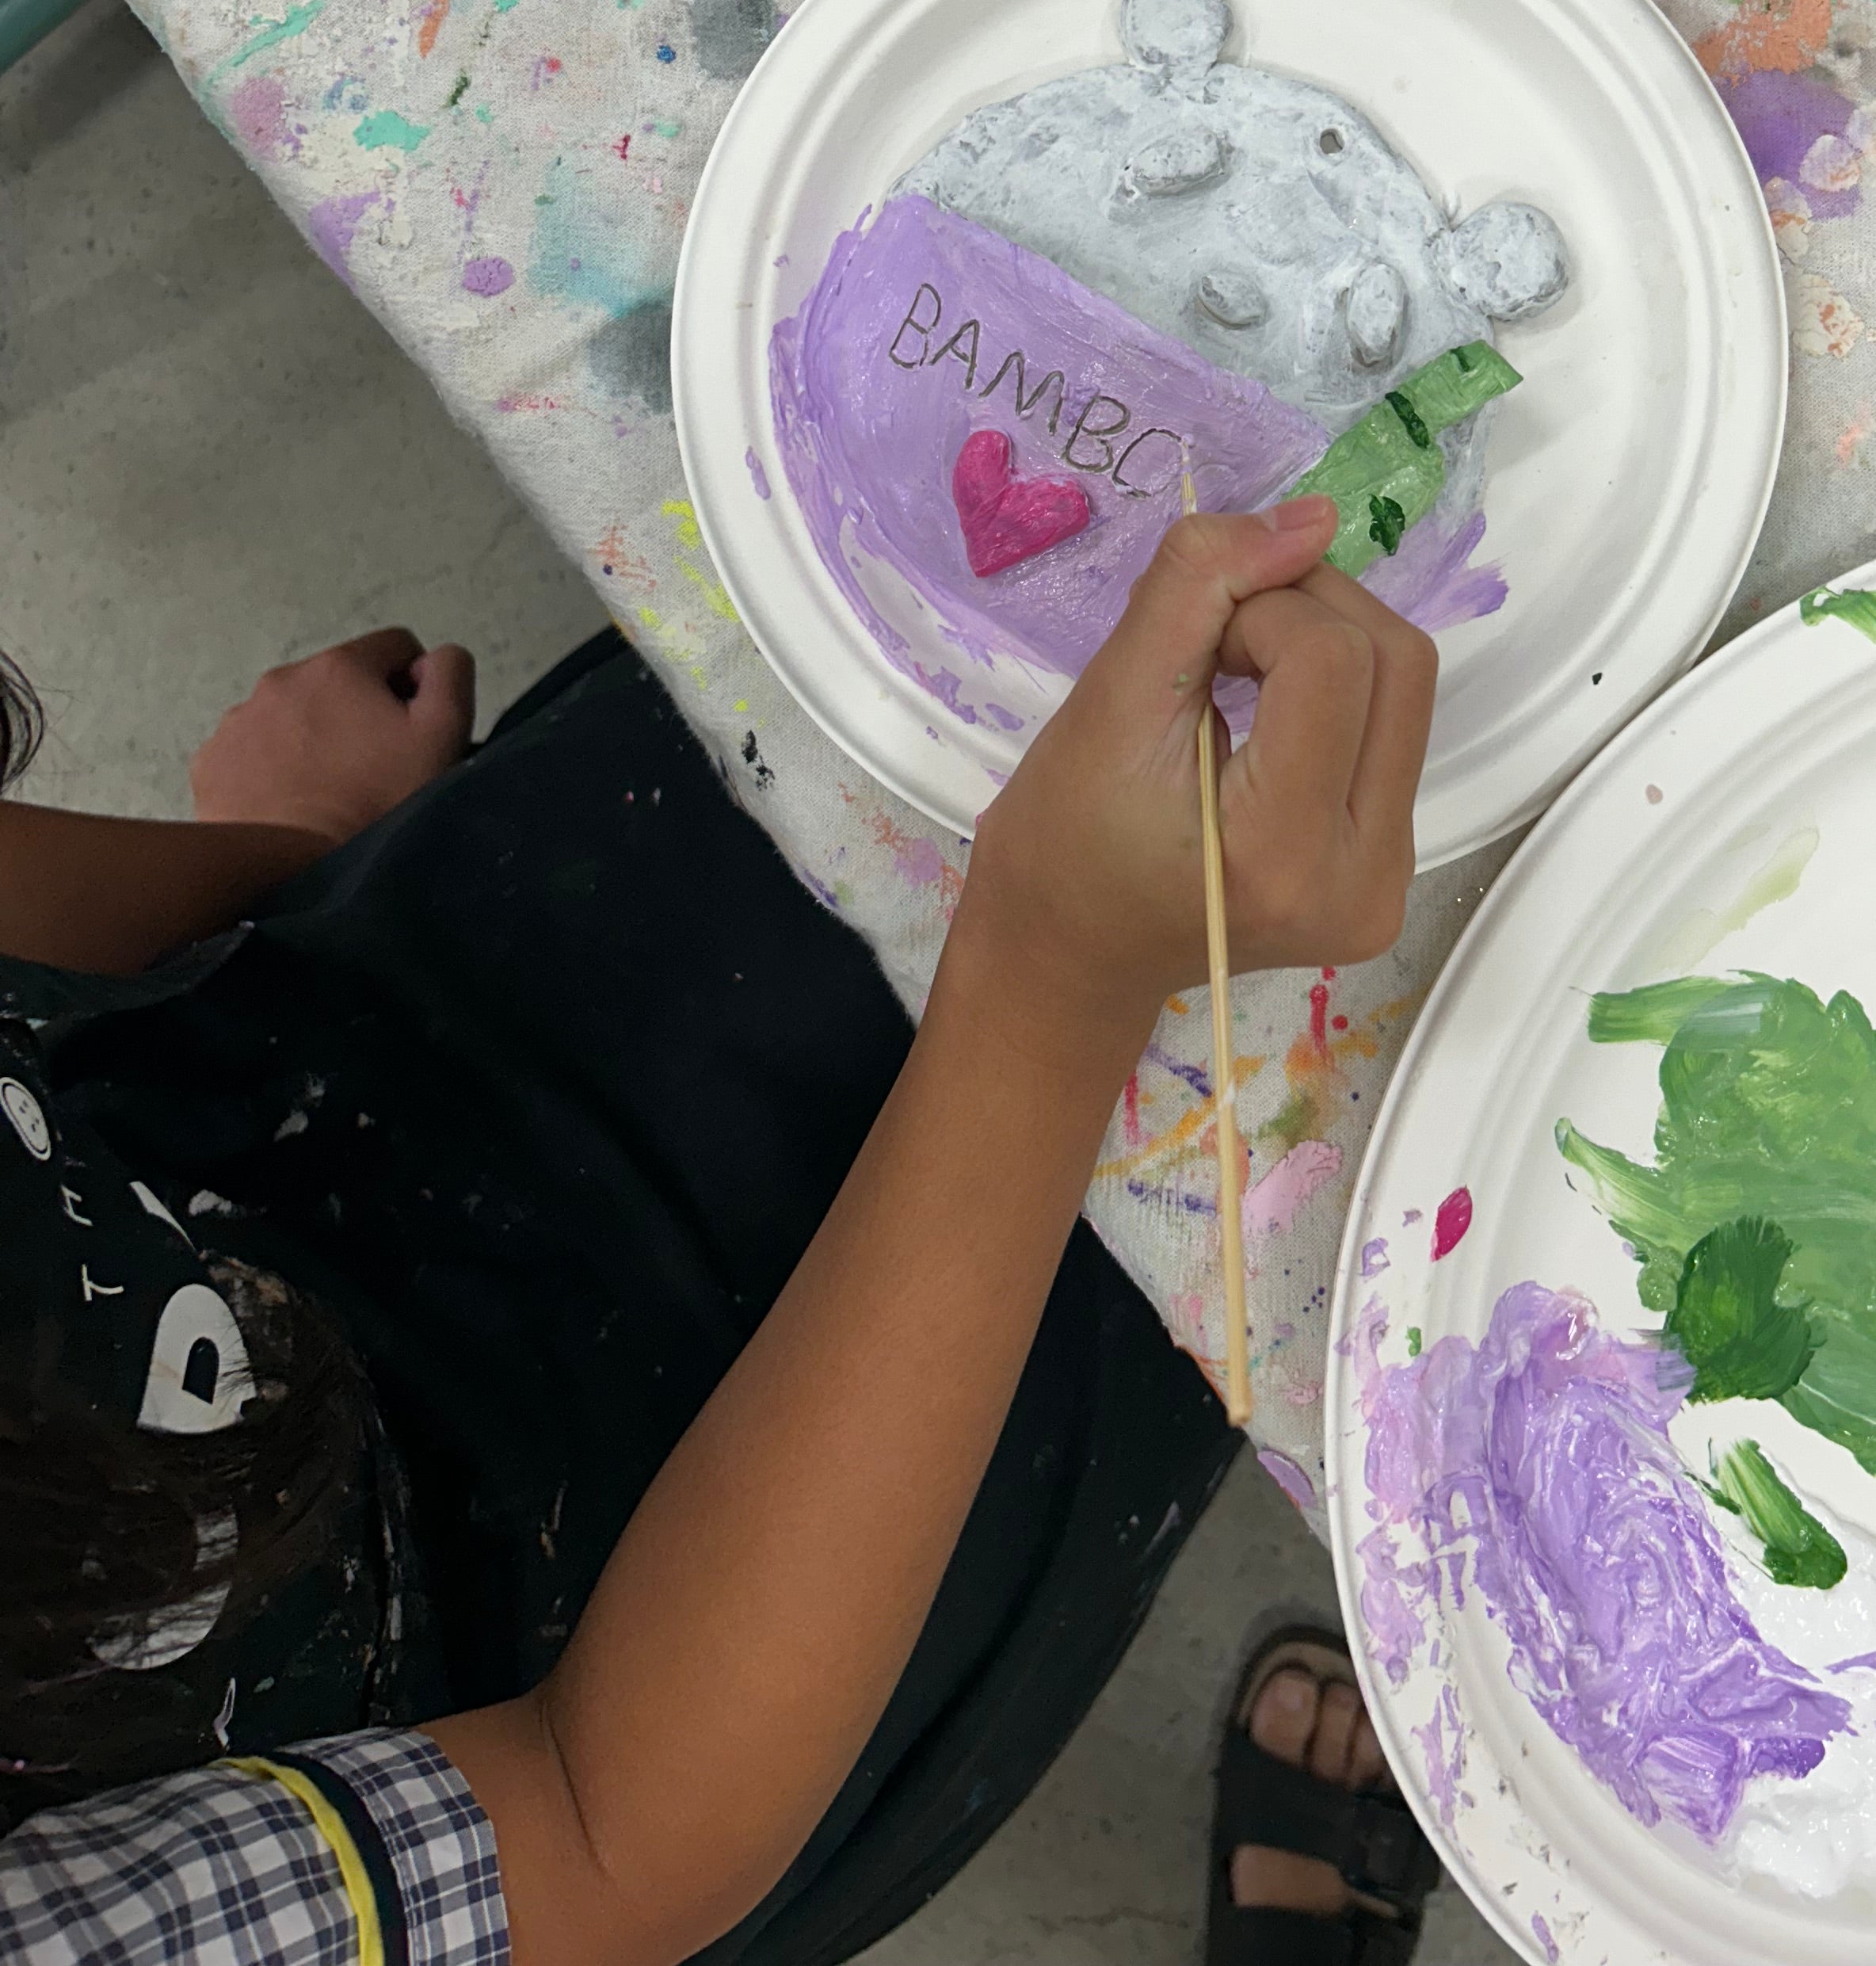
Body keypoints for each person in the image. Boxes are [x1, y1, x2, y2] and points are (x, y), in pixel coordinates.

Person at [0, 499, 1447, 1966]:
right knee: (1304, 1100)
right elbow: (601, 1829)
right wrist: (1062, 983)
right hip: (661, 1652)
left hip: (327, 1063)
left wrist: (299, 856)